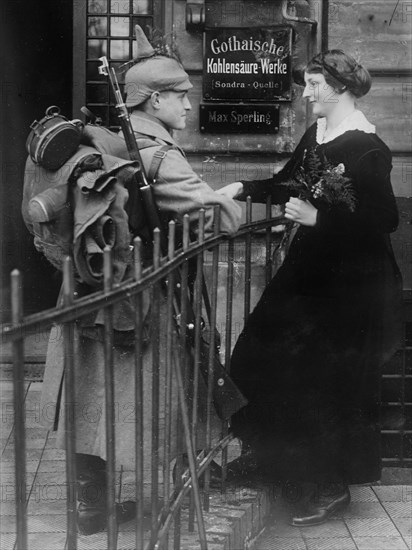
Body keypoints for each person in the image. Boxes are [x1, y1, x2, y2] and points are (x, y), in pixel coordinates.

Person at [40, 26, 241, 535]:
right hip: (141, 294)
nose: (189, 106)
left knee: (89, 397)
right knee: (164, 388)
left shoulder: (102, 144)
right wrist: (224, 197)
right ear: (153, 101)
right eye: (181, 96)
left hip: (87, 291)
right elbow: (223, 221)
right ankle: (187, 477)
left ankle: (91, 505)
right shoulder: (160, 154)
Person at [217, 50, 403, 526]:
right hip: (312, 269)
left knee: (322, 378)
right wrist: (240, 187)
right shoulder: (316, 135)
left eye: (314, 84)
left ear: (339, 88)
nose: (306, 93)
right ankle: (272, 458)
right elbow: (287, 183)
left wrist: (320, 218)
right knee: (255, 352)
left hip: (352, 281)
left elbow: (385, 219)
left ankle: (328, 484)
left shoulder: (366, 147)